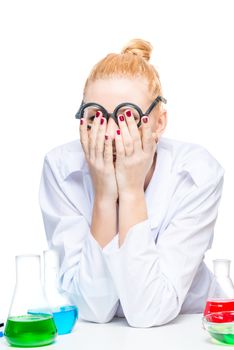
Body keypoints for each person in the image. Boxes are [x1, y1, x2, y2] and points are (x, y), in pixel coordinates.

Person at [39, 39, 224, 328]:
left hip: (192, 328)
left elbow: (149, 311)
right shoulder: (61, 169)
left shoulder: (197, 172)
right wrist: (103, 198)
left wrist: (131, 191)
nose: (110, 134)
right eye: (95, 117)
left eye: (128, 118)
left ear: (159, 123)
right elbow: (92, 308)